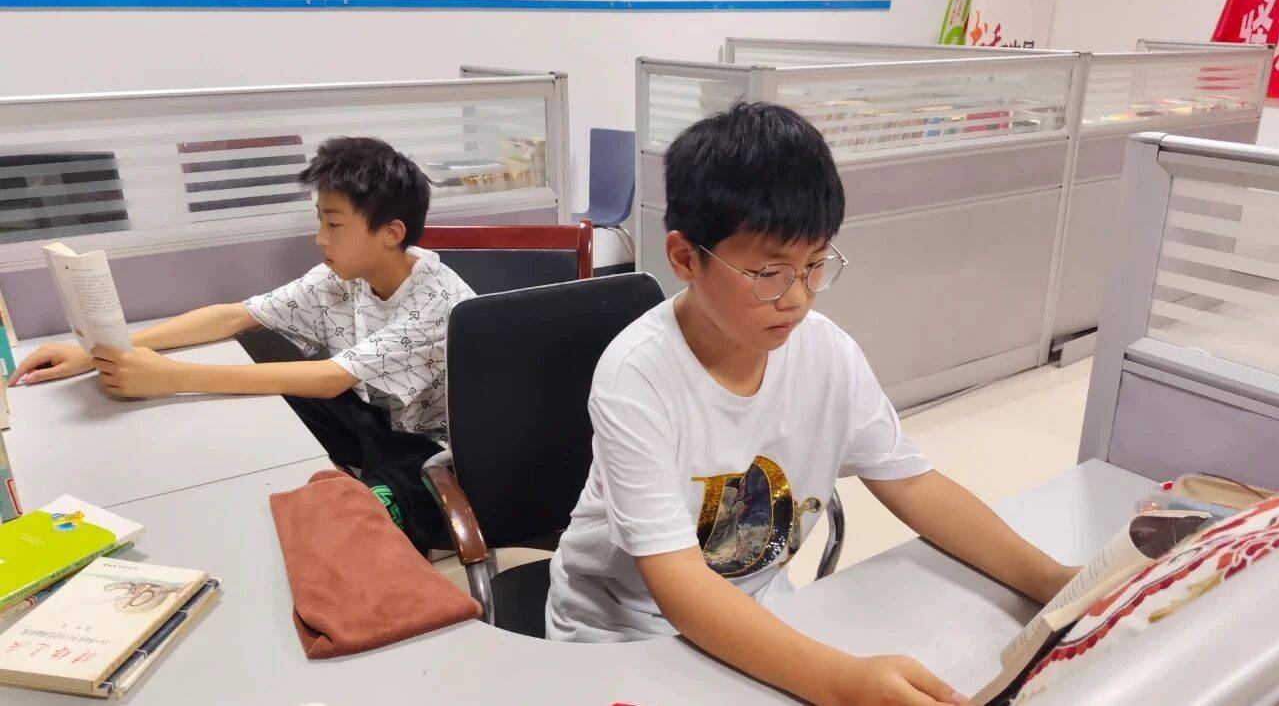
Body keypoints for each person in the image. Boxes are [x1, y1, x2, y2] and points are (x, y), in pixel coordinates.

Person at [545, 103, 1078, 706]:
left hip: (755, 608)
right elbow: (679, 585)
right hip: (622, 633)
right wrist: (843, 683)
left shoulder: (826, 353)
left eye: (815, 265)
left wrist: (1052, 582)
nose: (797, 298)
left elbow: (913, 484)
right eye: (769, 273)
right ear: (686, 258)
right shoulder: (637, 376)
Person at [10, 137, 473, 552]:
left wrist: (171, 377)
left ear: (391, 233)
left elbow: (330, 378)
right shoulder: (343, 276)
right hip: (370, 416)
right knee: (259, 404)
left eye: (334, 224)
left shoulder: (437, 302)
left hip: (435, 450)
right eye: (320, 220)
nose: (320, 238)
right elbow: (235, 315)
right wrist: (100, 350)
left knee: (352, 528)